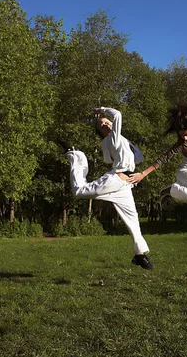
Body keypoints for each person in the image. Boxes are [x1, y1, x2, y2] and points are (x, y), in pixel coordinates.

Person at [59, 106, 152, 270]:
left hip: (126, 185)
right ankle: (75, 155)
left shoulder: (119, 140)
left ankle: (140, 255)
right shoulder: (113, 138)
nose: (106, 125)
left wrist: (127, 150)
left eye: (107, 122)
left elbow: (136, 158)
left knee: (133, 220)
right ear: (102, 132)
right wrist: (102, 109)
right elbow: (118, 114)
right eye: (102, 125)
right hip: (115, 180)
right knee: (79, 191)